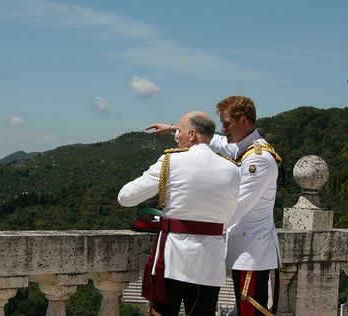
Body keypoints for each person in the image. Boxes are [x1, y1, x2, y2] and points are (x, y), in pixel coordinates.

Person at [146, 96, 282, 316]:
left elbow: (236, 208)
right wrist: (176, 128)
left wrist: (202, 226)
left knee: (251, 312)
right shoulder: (244, 147)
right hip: (243, 248)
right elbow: (213, 141)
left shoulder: (259, 159)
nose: (223, 128)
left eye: (227, 123)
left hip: (252, 252)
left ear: (244, 121)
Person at [118, 111, 241, 316]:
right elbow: (230, 217)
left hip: (172, 260)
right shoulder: (232, 169)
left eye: (179, 131)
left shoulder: (170, 161)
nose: (177, 136)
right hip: (210, 263)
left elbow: (126, 197)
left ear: (192, 134)